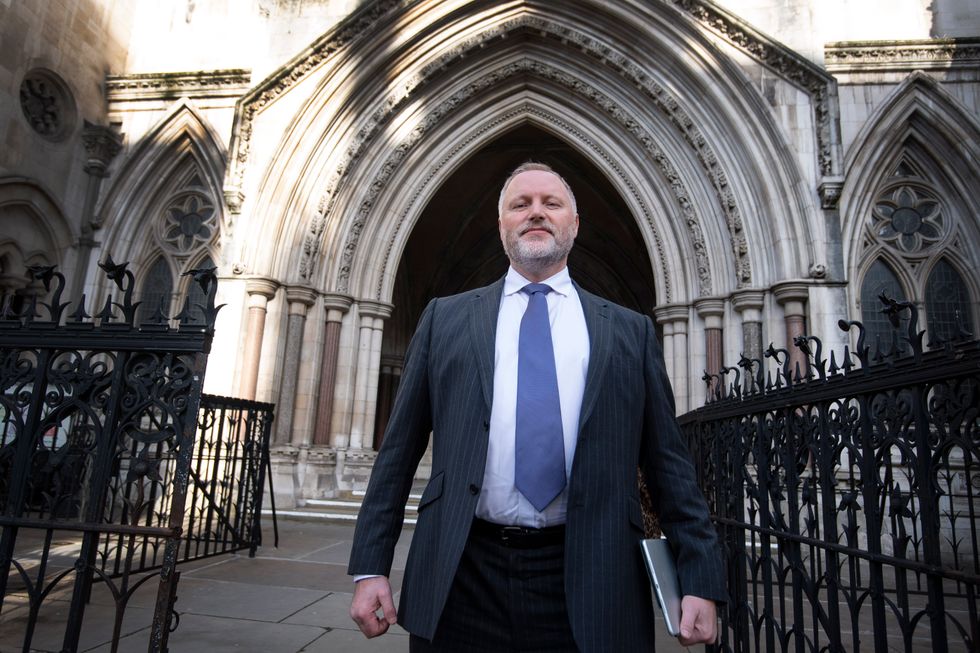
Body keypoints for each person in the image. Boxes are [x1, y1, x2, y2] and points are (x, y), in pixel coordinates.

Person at [348, 162, 725, 651]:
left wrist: (700, 577)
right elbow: (397, 453)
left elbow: (668, 464)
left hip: (593, 574)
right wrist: (370, 566)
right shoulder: (445, 319)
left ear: (575, 223)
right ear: (501, 224)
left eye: (552, 203)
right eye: (520, 204)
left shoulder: (629, 331)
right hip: (461, 573)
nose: (536, 213)